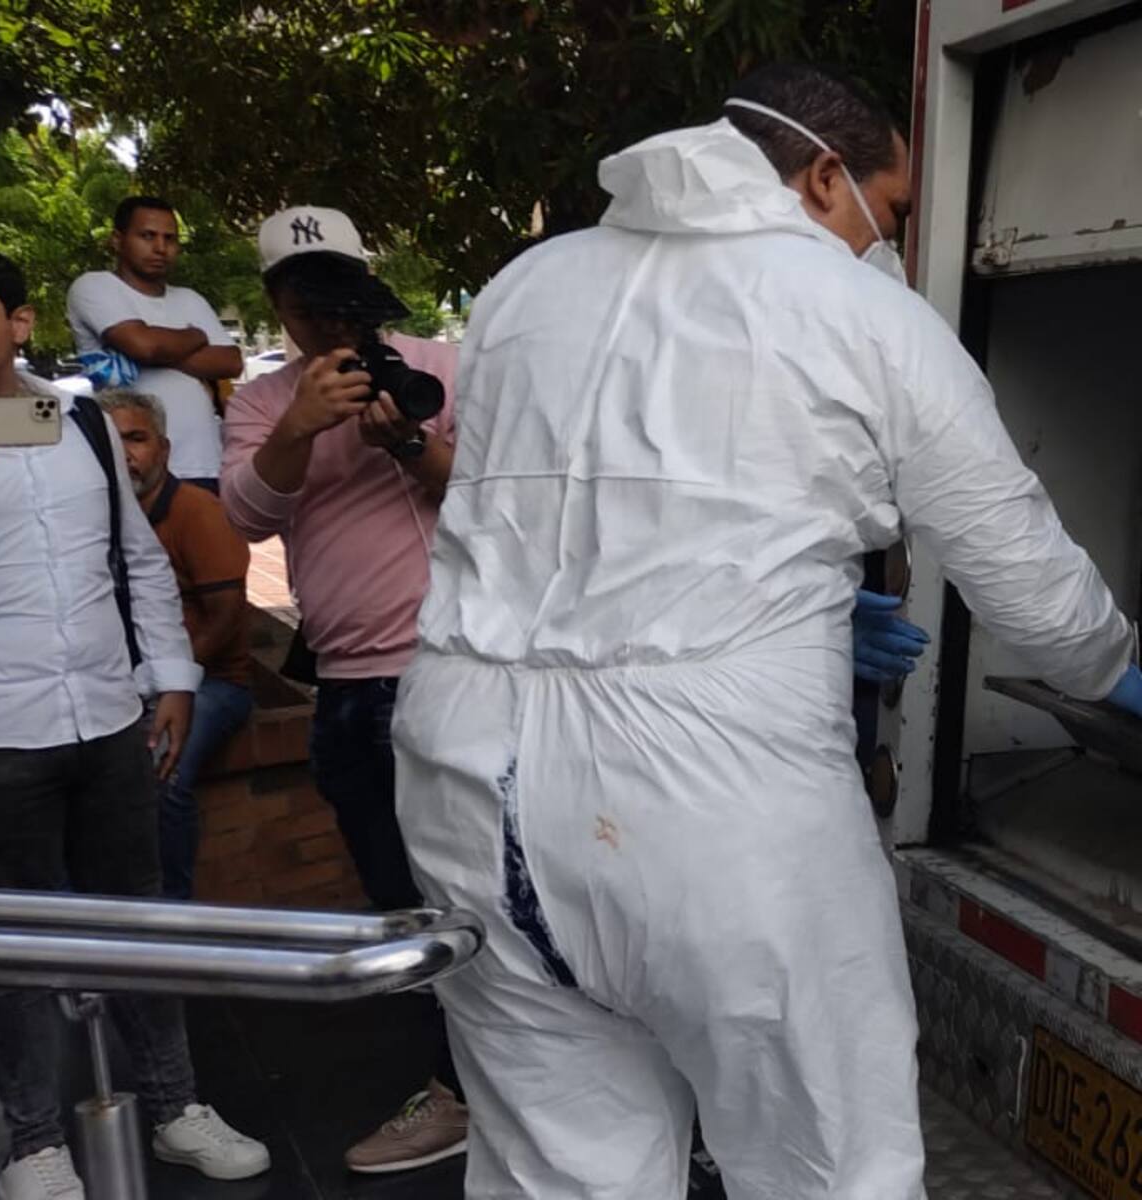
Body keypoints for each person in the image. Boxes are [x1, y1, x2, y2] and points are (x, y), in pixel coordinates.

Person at [388, 63, 1142, 1200]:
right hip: (714, 801)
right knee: (825, 1168)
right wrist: (1117, 669)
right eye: (887, 214)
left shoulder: (524, 287)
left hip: (462, 778)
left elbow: (572, 513)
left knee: (561, 1172)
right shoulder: (861, 310)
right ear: (825, 175)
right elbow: (1024, 576)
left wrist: (811, 608)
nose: (885, 242)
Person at [0, 242, 270, 1200]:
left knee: (140, 920)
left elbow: (131, 558)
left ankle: (175, 1108)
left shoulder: (72, 420)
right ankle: (35, 1142)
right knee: (13, 949)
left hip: (105, 715)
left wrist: (169, 676)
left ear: (18, 322)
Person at [220, 206, 467, 1173]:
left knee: (479, 899)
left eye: (342, 298)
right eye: (304, 303)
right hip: (351, 689)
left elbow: (500, 497)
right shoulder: (262, 401)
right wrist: (298, 426)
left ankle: (479, 1089)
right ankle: (456, 1083)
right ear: (277, 305)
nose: (327, 324)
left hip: (453, 672)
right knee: (400, 908)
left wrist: (407, 441)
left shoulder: (437, 365)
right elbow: (243, 516)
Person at [99, 389, 252, 901]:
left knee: (160, 772)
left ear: (163, 449)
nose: (125, 453)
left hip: (211, 683)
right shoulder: (92, 514)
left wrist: (170, 684)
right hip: (120, 684)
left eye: (136, 438)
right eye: (111, 439)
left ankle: (172, 912)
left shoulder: (197, 511)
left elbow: (227, 620)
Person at [67, 196, 242, 491]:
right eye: (147, 236)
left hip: (205, 463)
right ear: (117, 240)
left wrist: (155, 347)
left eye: (169, 238)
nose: (161, 247)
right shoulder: (94, 286)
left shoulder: (190, 299)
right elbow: (144, 346)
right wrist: (196, 336)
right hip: (134, 469)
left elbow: (231, 362)